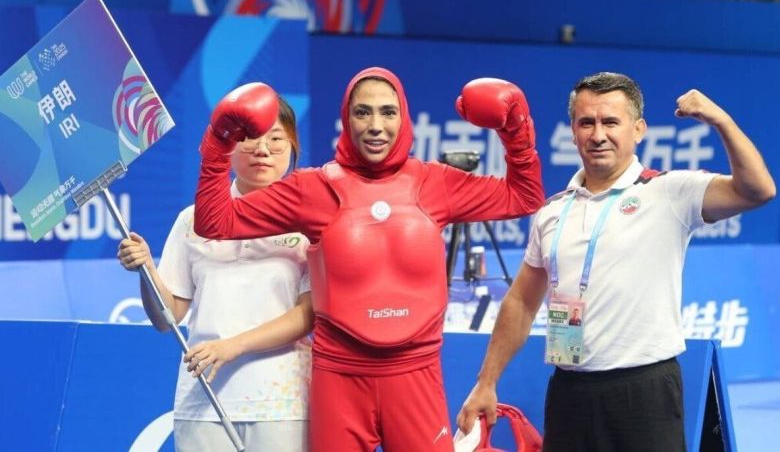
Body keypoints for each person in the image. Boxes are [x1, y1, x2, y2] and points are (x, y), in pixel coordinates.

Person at [193, 67, 545, 451]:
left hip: (416, 374)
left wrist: (516, 133)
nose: (376, 125)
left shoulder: (435, 183)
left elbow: (523, 197)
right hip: (339, 377)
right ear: (347, 119)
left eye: (387, 112)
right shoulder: (313, 189)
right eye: (363, 112)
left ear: (403, 117)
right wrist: (218, 144)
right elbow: (215, 221)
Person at [456, 72, 775, 451]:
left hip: (644, 393)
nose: (598, 135)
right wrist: (486, 381)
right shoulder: (552, 211)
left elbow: (758, 190)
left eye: (610, 122)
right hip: (570, 391)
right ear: (573, 133)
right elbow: (522, 302)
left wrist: (721, 121)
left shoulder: (669, 192)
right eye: (586, 123)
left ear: (638, 129)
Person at [117, 96, 312, 452]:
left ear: (293, 146)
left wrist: (232, 346)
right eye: (249, 137)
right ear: (227, 145)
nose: (262, 150)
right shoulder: (192, 220)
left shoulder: (309, 222)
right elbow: (167, 318)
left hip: (282, 402)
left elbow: (307, 315)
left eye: (276, 139)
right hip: (203, 398)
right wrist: (146, 270)